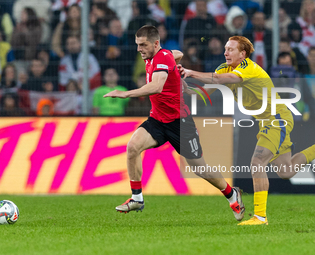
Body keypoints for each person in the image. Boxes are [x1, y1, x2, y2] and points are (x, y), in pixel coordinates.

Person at [177, 35, 315, 225]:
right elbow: (204, 93)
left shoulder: (248, 67)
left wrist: (190, 72)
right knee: (286, 170)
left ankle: (260, 217)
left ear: (243, 54)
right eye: (225, 48)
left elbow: (222, 78)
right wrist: (185, 88)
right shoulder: (223, 69)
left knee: (257, 162)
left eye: (231, 49)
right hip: (265, 121)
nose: (225, 52)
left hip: (277, 118)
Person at [104, 25, 245, 221]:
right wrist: (175, 64)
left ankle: (231, 194)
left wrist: (126, 93)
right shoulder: (158, 56)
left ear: (155, 43)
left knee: (199, 168)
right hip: (157, 119)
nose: (139, 49)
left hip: (180, 123)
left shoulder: (161, 58)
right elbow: (177, 53)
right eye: (137, 45)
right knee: (133, 147)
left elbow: (157, 86)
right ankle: (137, 198)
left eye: (143, 45)